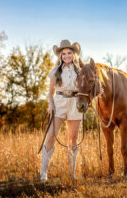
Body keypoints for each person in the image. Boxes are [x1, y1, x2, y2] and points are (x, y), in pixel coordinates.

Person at [40, 39, 82, 181]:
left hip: (75, 104)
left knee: (73, 138)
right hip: (59, 103)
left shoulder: (80, 71)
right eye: (63, 54)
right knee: (51, 136)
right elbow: (50, 91)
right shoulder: (56, 71)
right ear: (60, 56)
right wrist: (50, 104)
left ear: (73, 54)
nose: (66, 56)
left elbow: (87, 88)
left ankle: (72, 174)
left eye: (69, 53)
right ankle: (43, 174)